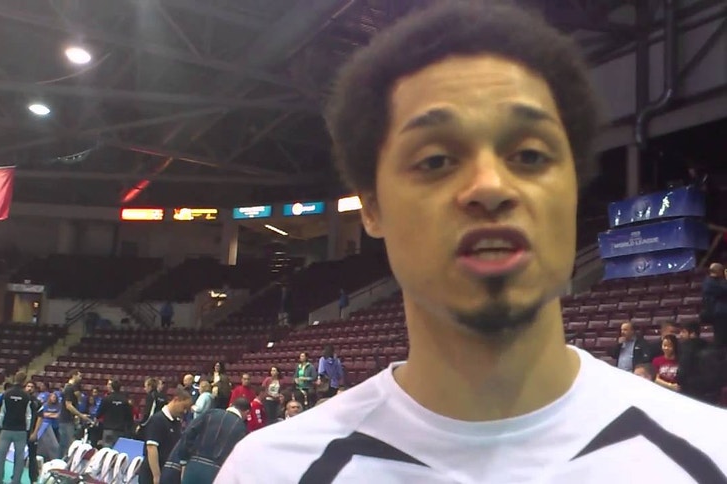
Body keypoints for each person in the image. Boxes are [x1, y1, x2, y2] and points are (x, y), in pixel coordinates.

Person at [215, 2, 727, 483]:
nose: (490, 186)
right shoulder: (268, 471)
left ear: (574, 186)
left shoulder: (711, 455)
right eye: (436, 160)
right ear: (371, 206)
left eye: (530, 155)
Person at [161, 399, 251, 484]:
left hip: (194, 465)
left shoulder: (211, 413)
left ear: (231, 405)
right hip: (216, 471)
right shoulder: (241, 428)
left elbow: (189, 432)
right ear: (246, 412)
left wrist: (184, 458)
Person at [138, 388, 193, 484]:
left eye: (187, 409)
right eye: (184, 407)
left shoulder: (177, 423)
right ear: (176, 400)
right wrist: (156, 476)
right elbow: (151, 448)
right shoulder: (157, 420)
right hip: (151, 475)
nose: (184, 411)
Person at [0, 372, 39, 484]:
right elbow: (28, 415)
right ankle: (16, 481)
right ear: (24, 381)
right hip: (21, 431)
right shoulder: (26, 396)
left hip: (6, 429)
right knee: (19, 458)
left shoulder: (6, 394)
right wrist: (27, 429)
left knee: (1, 456)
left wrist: (2, 426)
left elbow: (1, 412)